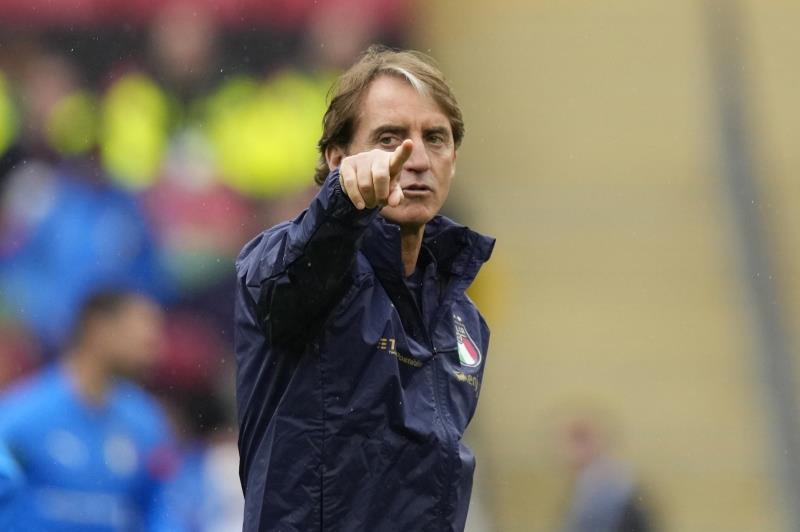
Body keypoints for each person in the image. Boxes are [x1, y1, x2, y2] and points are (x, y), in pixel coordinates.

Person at [235, 45, 495, 531]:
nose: (416, 158)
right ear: (339, 157)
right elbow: (287, 283)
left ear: (453, 160)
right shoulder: (289, 263)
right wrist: (342, 201)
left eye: (435, 138)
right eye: (389, 138)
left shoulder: (464, 323)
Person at [0, 291, 179, 531]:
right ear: (98, 328)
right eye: (144, 328)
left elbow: (161, 507)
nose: (154, 345)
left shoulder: (146, 422)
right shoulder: (20, 416)